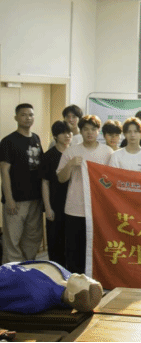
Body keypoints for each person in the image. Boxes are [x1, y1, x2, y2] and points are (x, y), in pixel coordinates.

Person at [57, 115, 113, 273]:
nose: (90, 132)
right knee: (74, 249)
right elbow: (61, 178)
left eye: (93, 129)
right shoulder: (71, 151)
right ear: (80, 131)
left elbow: (111, 181)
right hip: (75, 208)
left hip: (98, 209)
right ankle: (75, 280)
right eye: (86, 129)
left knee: (97, 248)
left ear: (98, 131)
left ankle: (95, 280)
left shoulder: (107, 152)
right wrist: (70, 164)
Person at [1, 104, 44, 264]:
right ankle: (11, 271)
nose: (28, 118)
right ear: (16, 118)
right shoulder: (8, 141)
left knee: (33, 237)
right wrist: (9, 199)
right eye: (23, 115)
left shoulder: (36, 138)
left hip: (35, 198)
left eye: (31, 115)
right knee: (12, 239)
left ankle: (26, 268)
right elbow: (4, 171)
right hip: (16, 200)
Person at [0, 261, 103, 314]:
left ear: (71, 297)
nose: (83, 275)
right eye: (87, 278)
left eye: (82, 282)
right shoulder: (67, 276)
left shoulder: (36, 295)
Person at [40, 121, 72, 267]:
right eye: (63, 133)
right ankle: (55, 271)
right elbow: (45, 183)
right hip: (55, 203)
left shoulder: (74, 153)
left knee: (70, 241)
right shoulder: (49, 156)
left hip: (72, 204)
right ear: (55, 136)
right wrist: (47, 208)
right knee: (55, 241)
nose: (67, 135)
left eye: (69, 132)